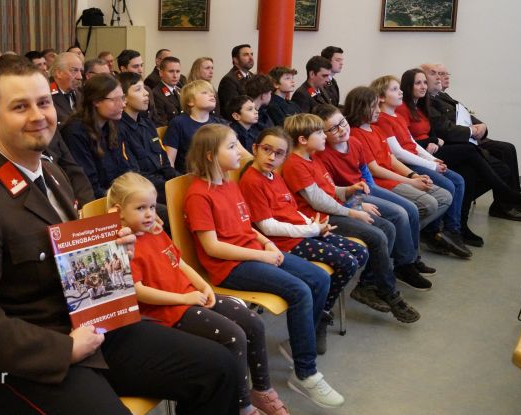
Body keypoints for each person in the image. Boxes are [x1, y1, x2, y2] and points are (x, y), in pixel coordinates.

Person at [0, 56, 240, 415]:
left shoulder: (51, 173)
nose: (38, 115)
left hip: (91, 321)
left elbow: (66, 261)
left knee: (220, 368)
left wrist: (112, 255)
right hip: (32, 353)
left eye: (43, 102)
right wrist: (63, 349)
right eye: (20, 107)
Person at [183, 123, 344, 409]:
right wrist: (261, 256)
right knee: (299, 290)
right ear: (210, 155)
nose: (240, 150)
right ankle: (305, 372)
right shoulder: (199, 194)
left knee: (319, 279)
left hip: (255, 252)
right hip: (230, 266)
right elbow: (213, 248)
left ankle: (300, 342)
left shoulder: (229, 183)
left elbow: (247, 227)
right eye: (232, 146)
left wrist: (267, 243)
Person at [108, 172, 289, 415]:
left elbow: (179, 263)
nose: (150, 214)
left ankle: (262, 390)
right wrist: (185, 298)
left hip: (191, 296)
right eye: (140, 208)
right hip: (169, 311)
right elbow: (138, 292)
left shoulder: (155, 230)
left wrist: (203, 286)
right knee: (233, 336)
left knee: (253, 323)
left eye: (151, 206)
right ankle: (242, 406)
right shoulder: (120, 247)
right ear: (119, 212)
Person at [239, 127, 367, 354]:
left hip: (303, 232)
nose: (271, 157)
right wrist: (311, 230)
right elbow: (267, 227)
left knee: (359, 252)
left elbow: (291, 209)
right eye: (266, 150)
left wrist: (314, 225)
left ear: (284, 157)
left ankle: (321, 311)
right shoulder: (252, 181)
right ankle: (317, 320)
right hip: (285, 242)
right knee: (347, 262)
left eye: (279, 153)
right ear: (255, 149)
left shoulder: (274, 176)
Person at [282, 113, 422, 321]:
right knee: (377, 235)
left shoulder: (312, 158)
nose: (324, 136)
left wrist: (348, 190)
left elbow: (329, 190)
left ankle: (368, 284)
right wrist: (352, 210)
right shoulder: (295, 164)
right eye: (320, 133)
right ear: (303, 140)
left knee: (388, 227)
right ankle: (390, 293)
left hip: (334, 210)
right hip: (321, 219)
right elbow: (319, 202)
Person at [397, 68, 521, 244]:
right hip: (422, 153)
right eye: (418, 83)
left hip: (432, 149)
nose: (423, 86)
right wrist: (431, 141)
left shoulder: (421, 105)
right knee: (470, 151)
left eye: (424, 82)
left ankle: (459, 227)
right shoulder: (403, 108)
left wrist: (435, 140)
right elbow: (406, 141)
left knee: (470, 170)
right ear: (408, 86)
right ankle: (507, 193)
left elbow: (433, 129)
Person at [313, 104, 437, 283]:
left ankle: (410, 259)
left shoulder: (354, 142)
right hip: (349, 196)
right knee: (398, 214)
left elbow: (364, 169)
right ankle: (403, 265)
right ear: (323, 134)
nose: (341, 129)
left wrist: (371, 188)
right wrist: (359, 202)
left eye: (342, 122)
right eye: (333, 128)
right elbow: (331, 191)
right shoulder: (322, 156)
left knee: (410, 209)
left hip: (365, 187)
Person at [370, 75, 470, 258]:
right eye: (394, 89)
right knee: (448, 186)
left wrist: (432, 160)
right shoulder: (382, 119)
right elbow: (397, 153)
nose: (400, 92)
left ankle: (452, 230)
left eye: (399, 88)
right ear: (381, 97)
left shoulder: (398, 115)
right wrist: (430, 166)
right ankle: (431, 233)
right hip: (406, 164)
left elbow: (412, 143)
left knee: (458, 180)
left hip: (415, 159)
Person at [343, 87, 453, 244]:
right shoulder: (355, 134)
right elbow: (375, 169)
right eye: (373, 106)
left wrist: (413, 176)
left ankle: (404, 236)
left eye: (378, 105)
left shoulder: (377, 129)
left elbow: (392, 159)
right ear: (359, 108)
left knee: (444, 197)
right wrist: (411, 182)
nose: (378, 110)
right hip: (381, 182)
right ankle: (406, 241)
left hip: (395, 177)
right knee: (428, 204)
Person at [422, 63, 521, 223]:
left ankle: (510, 202)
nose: (442, 77)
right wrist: (471, 131)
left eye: (442, 73)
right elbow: (443, 129)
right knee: (495, 163)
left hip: (466, 138)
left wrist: (481, 126)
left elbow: (465, 113)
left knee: (506, 149)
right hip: (456, 141)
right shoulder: (427, 101)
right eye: (436, 73)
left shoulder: (443, 97)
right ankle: (507, 201)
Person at [61, 75, 137, 198]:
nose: (123, 104)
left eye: (122, 98)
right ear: (96, 101)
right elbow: (89, 185)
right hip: (99, 201)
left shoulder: (112, 126)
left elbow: (123, 169)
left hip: (118, 195)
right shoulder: (75, 132)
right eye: (115, 100)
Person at [116, 72, 178, 204]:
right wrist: (170, 187)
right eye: (138, 89)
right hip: (143, 192)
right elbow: (134, 174)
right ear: (124, 98)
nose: (146, 93)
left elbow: (165, 162)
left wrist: (178, 180)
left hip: (162, 185)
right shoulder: (119, 129)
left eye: (144, 88)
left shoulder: (147, 124)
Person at [163, 80, 233, 173]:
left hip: (220, 175)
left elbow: (238, 153)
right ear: (190, 102)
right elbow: (169, 162)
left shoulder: (221, 124)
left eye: (212, 92)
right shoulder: (178, 123)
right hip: (189, 176)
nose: (212, 95)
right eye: (205, 92)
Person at [218, 44, 254, 120]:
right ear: (236, 60)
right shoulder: (229, 80)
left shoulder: (252, 76)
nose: (251, 58)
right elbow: (232, 109)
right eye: (246, 55)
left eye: (251, 54)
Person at [50, 52, 84, 124]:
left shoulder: (81, 94)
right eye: (75, 70)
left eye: (80, 71)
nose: (80, 77)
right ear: (59, 73)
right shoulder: (47, 95)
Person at [150, 56, 183, 127]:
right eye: (171, 71)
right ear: (161, 73)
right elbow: (161, 123)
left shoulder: (180, 90)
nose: (175, 75)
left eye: (178, 71)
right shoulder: (156, 94)